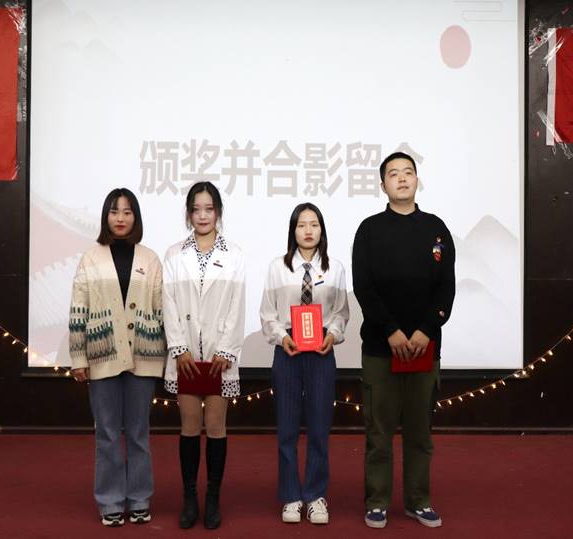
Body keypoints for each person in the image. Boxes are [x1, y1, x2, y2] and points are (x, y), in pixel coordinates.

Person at [352, 152, 455, 529]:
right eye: (393, 174)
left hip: (425, 348)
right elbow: (364, 287)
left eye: (408, 172)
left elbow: (446, 288)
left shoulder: (436, 229)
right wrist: (391, 331)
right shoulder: (369, 230)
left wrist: (425, 330)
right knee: (379, 433)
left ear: (417, 181)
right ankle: (377, 500)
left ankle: (418, 500)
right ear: (383, 185)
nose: (401, 178)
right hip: (381, 349)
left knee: (419, 433)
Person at [68, 187, 167, 527]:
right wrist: (78, 357)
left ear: (136, 217)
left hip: (144, 355)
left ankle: (139, 498)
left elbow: (161, 309)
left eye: (127, 212)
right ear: (105, 216)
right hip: (102, 355)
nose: (121, 218)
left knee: (138, 433)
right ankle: (110, 500)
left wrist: (169, 355)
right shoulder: (90, 258)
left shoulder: (150, 259)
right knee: (108, 433)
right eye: (114, 211)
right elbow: (78, 309)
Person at [162, 181, 245, 530]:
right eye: (196, 209)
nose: (202, 215)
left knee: (215, 426)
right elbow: (168, 303)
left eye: (209, 209)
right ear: (188, 214)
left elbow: (237, 307)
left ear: (218, 213)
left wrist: (225, 349)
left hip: (218, 358)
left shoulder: (234, 255)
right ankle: (189, 498)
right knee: (189, 425)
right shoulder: (173, 254)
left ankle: (212, 497)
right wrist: (178, 347)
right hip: (184, 359)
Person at [260, 203, 349, 525]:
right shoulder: (277, 267)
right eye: (301, 225)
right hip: (288, 351)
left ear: (322, 230)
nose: (308, 230)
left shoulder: (335, 268)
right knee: (286, 429)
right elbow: (267, 313)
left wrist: (333, 334)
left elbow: (341, 311)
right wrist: (281, 337)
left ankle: (315, 495)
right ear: (293, 230)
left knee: (319, 429)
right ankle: (290, 496)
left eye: (314, 224)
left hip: (321, 351)